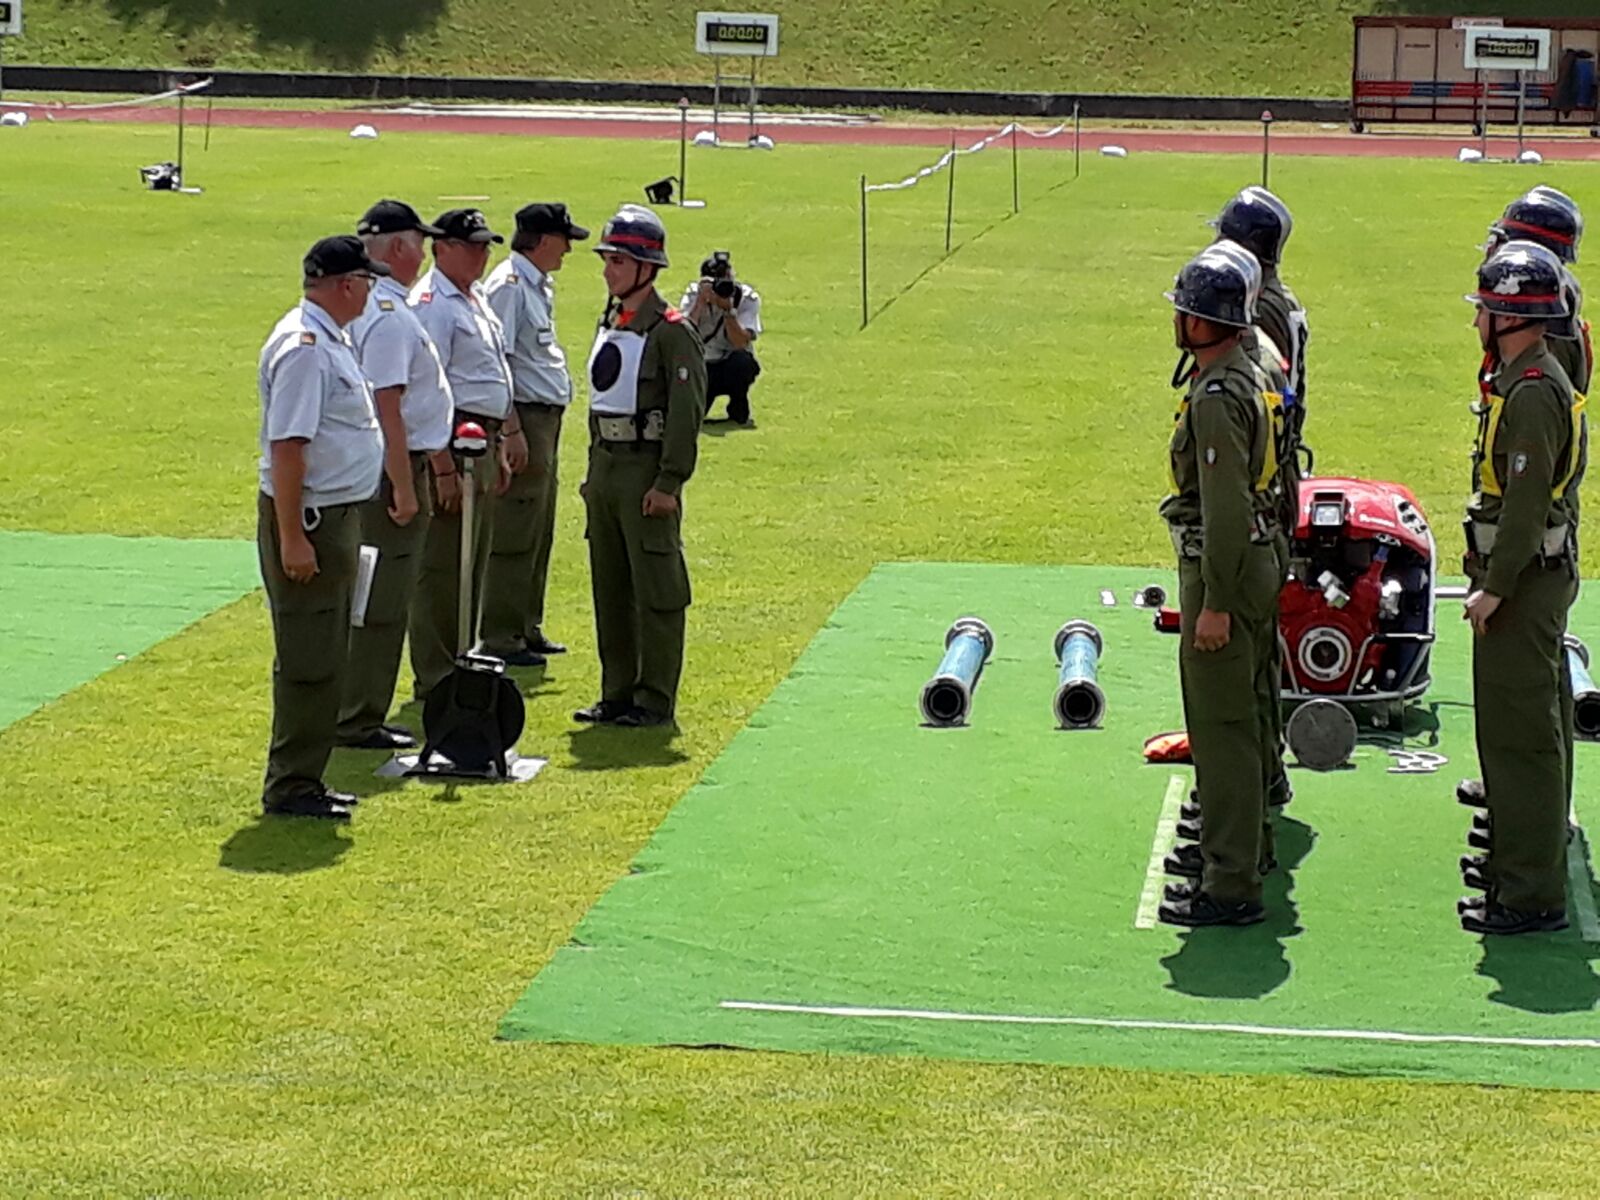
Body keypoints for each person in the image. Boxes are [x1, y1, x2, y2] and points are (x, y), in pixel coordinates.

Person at [1458, 241, 1586, 936]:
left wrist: (1496, 587)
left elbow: (1526, 505)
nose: (1477, 320)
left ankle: (1531, 893)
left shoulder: (1533, 390)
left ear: (1509, 316)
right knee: (1513, 735)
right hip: (1525, 579)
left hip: (1524, 583)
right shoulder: (1524, 378)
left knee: (1522, 741)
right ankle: (1517, 873)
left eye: (1485, 309)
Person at [1156, 243, 1283, 927]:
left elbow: (1225, 508)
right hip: (1255, 560)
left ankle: (1230, 882)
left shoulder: (1216, 397)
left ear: (1202, 322)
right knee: (1249, 714)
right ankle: (1247, 853)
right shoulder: (1248, 371)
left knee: (1224, 730)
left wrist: (1216, 604)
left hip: (1225, 570)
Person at [256, 236, 385, 820]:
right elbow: (288, 448)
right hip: (312, 520)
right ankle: (292, 784)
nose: (371, 291)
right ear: (348, 285)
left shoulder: (329, 338)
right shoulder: (305, 349)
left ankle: (306, 776)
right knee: (310, 659)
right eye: (367, 281)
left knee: (329, 653)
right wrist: (292, 537)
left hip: (332, 516)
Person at [576, 205, 707, 728]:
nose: (608, 270)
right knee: (610, 587)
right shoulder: (611, 320)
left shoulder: (672, 332)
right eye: (607, 259)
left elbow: (686, 412)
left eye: (618, 261)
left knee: (655, 587)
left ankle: (653, 697)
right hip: (608, 468)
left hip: (645, 469)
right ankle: (617, 691)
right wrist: (593, 474)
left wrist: (669, 480)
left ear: (646, 268)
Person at [334, 200, 457, 752]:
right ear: (401, 247)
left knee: (383, 597)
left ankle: (360, 711)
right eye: (420, 243)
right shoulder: (385, 314)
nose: (424, 254)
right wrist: (405, 487)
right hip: (392, 471)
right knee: (381, 600)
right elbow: (389, 406)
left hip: (392, 466)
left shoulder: (383, 306)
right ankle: (357, 716)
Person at [1213, 188, 1308, 814]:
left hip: (1262, 483)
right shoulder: (1280, 300)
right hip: (1275, 477)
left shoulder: (1260, 310)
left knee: (1246, 657)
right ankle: (1260, 777)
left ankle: (1250, 783)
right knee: (1257, 649)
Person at [408, 209, 516, 701]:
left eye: (485, 246)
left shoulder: (474, 298)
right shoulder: (433, 305)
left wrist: (502, 440)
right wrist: (441, 466)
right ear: (442, 248)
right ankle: (436, 675)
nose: (482, 254)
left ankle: (462, 659)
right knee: (444, 565)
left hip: (483, 438)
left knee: (472, 561)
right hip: (454, 439)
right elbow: (428, 390)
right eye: (472, 246)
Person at [480, 202, 590, 667]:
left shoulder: (534, 283)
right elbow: (497, 361)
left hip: (543, 418)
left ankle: (526, 624)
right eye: (564, 240)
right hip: (523, 417)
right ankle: (501, 635)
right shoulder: (508, 287)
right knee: (515, 528)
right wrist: (510, 429)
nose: (568, 250)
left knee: (538, 526)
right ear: (544, 240)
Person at [1484, 187, 1590, 394]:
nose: (1493, 250)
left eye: (1504, 243)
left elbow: (1538, 402)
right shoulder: (1551, 306)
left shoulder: (1544, 330)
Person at [680, 249, 762, 425]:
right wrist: (700, 303)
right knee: (694, 417)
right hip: (704, 367)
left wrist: (728, 311)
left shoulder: (746, 298)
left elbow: (740, 342)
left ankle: (738, 405)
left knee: (743, 362)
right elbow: (684, 335)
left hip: (731, 365)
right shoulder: (694, 295)